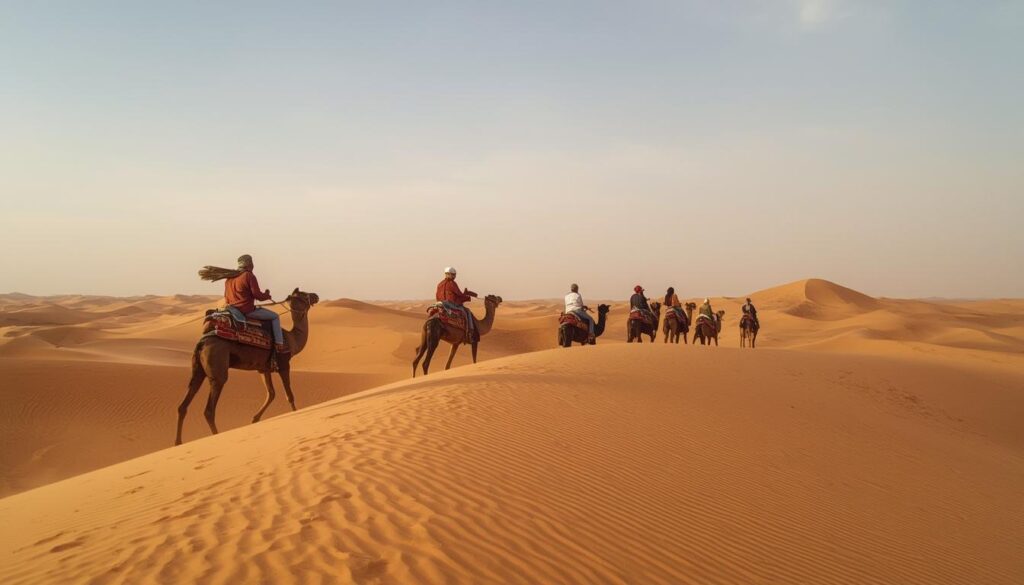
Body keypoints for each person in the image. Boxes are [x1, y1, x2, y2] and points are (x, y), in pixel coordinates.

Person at [224, 254, 287, 353]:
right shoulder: (249, 275)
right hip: (247, 311)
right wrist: (267, 296)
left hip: (232, 310)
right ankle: (279, 344)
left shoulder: (229, 279)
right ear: (250, 264)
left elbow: (226, 298)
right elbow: (257, 295)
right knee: (275, 317)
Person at [436, 267, 479, 340]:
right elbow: (459, 294)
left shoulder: (440, 284)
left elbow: (437, 295)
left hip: (441, 303)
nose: (453, 276)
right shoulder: (452, 283)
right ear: (448, 274)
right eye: (452, 275)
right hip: (451, 304)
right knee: (467, 311)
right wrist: (467, 297)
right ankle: (470, 331)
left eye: (454, 275)